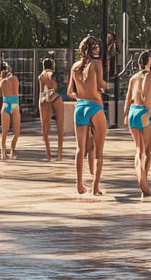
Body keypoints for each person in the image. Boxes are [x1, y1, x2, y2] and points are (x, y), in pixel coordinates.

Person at [68, 36, 108, 195]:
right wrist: (104, 87)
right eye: (96, 47)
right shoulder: (96, 64)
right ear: (93, 49)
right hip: (95, 107)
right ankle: (95, 188)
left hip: (80, 107)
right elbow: (101, 85)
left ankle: (79, 184)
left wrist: (82, 94)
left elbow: (70, 92)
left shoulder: (74, 67)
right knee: (99, 151)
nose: (98, 50)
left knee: (80, 149)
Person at [123, 51, 151, 197]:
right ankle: (143, 181)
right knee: (148, 152)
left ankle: (141, 177)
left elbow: (128, 98)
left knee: (139, 150)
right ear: (149, 60)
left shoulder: (133, 78)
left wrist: (126, 115)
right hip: (147, 113)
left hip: (133, 112)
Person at [38, 57, 65, 161]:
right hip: (55, 96)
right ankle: (59, 154)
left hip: (44, 98)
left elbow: (41, 91)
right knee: (60, 126)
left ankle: (48, 155)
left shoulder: (41, 76)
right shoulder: (51, 74)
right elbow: (54, 85)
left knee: (45, 128)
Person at [0, 62, 21, 160]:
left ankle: (3, 151)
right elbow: (16, 92)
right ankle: (12, 151)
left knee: (4, 131)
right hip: (14, 104)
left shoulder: (1, 81)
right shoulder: (14, 79)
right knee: (16, 132)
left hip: (5, 103)